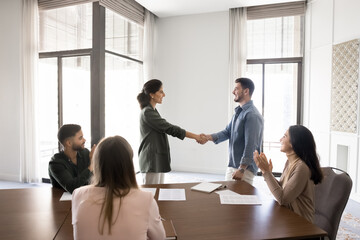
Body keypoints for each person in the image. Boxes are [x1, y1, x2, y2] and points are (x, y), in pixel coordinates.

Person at [72, 136, 165, 240]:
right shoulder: (146, 200)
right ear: (129, 164)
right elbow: (160, 237)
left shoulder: (78, 195)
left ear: (97, 163)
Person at [137, 79, 206, 184]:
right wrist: (196, 136)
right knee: (152, 194)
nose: (164, 94)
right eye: (161, 91)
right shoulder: (147, 112)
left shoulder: (152, 111)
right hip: (151, 161)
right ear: (151, 94)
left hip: (156, 160)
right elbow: (170, 128)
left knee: (158, 194)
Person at [254, 125, 323, 223]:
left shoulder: (302, 167)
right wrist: (267, 172)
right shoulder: (290, 162)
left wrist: (266, 172)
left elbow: (282, 199)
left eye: (285, 136)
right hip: (288, 217)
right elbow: (282, 190)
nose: (280, 139)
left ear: (294, 142)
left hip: (301, 224)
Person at [201, 77, 263, 185]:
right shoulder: (239, 112)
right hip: (234, 165)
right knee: (228, 198)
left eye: (236, 89)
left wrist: (242, 168)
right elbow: (227, 132)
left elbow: (251, 145)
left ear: (246, 91)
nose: (233, 92)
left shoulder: (252, 115)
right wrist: (208, 137)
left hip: (244, 169)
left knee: (237, 200)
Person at [48, 124, 96, 193]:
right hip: (62, 201)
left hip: (84, 197)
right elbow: (72, 187)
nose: (84, 140)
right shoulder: (55, 163)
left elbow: (93, 178)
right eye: (80, 138)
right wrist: (91, 165)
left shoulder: (85, 153)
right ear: (69, 143)